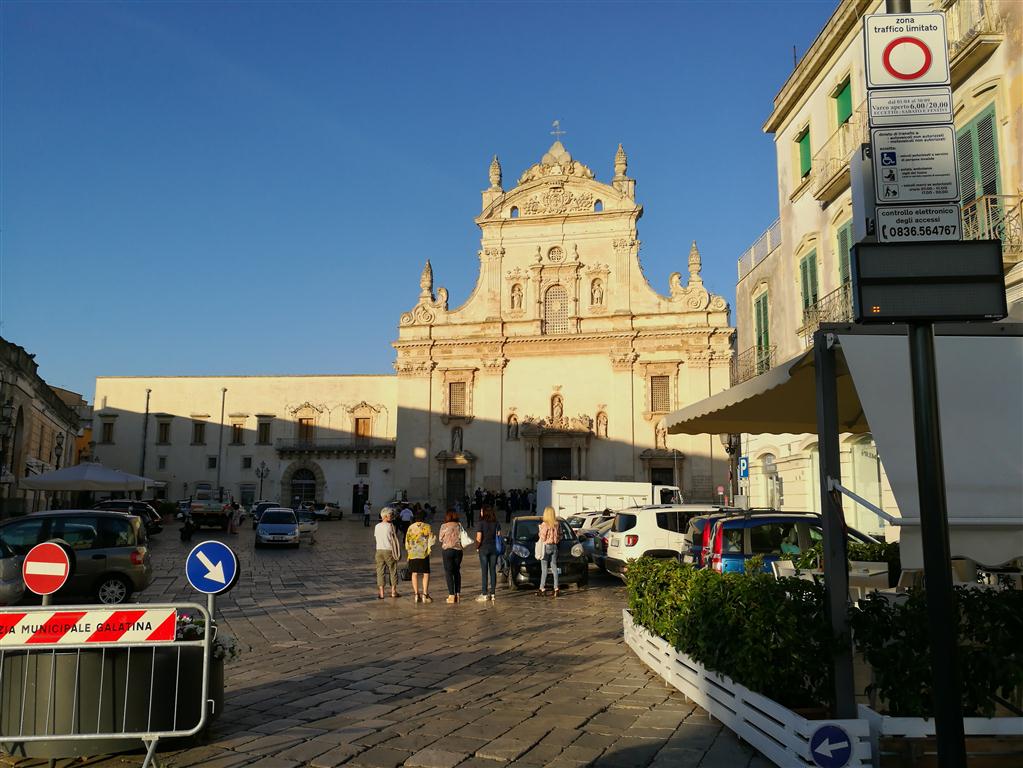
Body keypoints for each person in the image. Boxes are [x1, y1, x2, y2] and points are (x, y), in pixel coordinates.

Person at [405, 513, 434, 603]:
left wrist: (408, 551)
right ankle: (425, 594)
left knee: (414, 573)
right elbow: (431, 540)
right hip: (423, 553)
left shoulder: (410, 527)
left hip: (413, 553)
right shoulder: (427, 526)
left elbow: (407, 541)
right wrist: (429, 549)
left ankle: (416, 594)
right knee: (425, 573)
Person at [438, 510, 466, 603]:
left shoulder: (444, 526)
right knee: (457, 571)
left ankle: (451, 595)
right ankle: (458, 594)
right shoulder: (459, 525)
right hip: (458, 550)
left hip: (447, 550)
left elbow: (440, 538)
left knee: (449, 572)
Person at [474, 507, 501, 602]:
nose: (480, 512)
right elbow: (498, 535)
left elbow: (479, 538)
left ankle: (484, 593)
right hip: (494, 549)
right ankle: (493, 593)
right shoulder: (496, 523)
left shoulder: (480, 523)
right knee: (493, 570)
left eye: (482, 510)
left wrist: (477, 547)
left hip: (484, 549)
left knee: (484, 572)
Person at [374, 510, 401, 599]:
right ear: (385, 516)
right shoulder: (390, 526)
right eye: (390, 515)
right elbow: (394, 538)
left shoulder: (377, 526)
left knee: (380, 571)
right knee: (392, 570)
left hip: (379, 550)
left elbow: (376, 537)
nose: (392, 517)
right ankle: (393, 591)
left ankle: (381, 593)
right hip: (389, 550)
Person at [537, 505, 563, 597]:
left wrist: (539, 530)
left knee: (544, 568)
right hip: (554, 546)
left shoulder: (545, 524)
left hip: (546, 546)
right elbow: (560, 535)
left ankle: (542, 588)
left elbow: (542, 537)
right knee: (554, 567)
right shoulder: (557, 524)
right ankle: (556, 588)